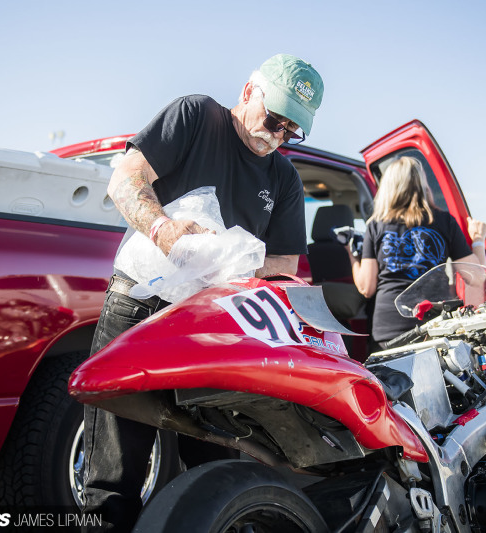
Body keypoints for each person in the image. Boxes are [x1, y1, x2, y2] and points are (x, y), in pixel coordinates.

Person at [82, 54, 324, 532]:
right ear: (249, 91)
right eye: (274, 119)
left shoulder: (284, 179)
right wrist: (166, 231)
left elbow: (282, 269)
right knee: (113, 477)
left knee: (214, 469)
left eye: (291, 131)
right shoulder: (195, 116)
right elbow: (125, 178)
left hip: (212, 328)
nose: (276, 136)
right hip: (140, 308)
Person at [346, 156, 486, 349]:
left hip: (389, 329)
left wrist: (352, 255)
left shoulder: (375, 225)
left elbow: (366, 287)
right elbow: (477, 277)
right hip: (435, 325)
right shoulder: (444, 221)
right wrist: (478, 240)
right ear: (422, 184)